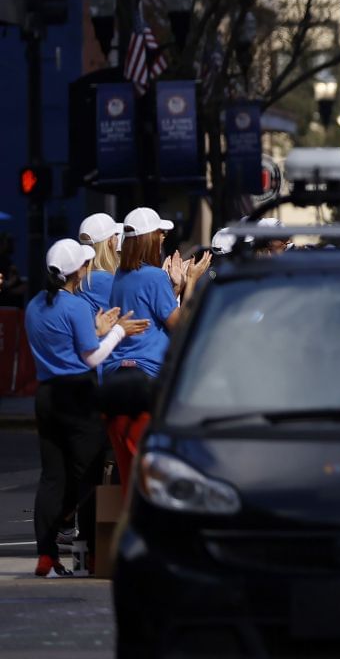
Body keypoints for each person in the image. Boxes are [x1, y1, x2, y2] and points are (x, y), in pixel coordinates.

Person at [25, 240, 146, 577]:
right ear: (77, 271)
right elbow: (91, 356)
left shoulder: (35, 306)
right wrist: (118, 331)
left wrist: (97, 330)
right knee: (90, 475)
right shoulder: (75, 306)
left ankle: (46, 557)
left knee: (51, 477)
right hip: (79, 395)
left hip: (47, 396)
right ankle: (93, 555)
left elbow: (64, 344)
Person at [104, 208, 209, 488]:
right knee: (152, 464)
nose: (163, 237)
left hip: (116, 375)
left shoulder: (121, 276)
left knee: (126, 465)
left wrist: (173, 288)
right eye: (160, 233)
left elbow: (150, 311)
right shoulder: (153, 277)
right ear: (149, 238)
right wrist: (191, 283)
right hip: (147, 376)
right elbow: (179, 324)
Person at [75, 214, 122, 312]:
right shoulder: (104, 279)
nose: (117, 239)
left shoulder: (79, 275)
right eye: (115, 235)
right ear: (109, 242)